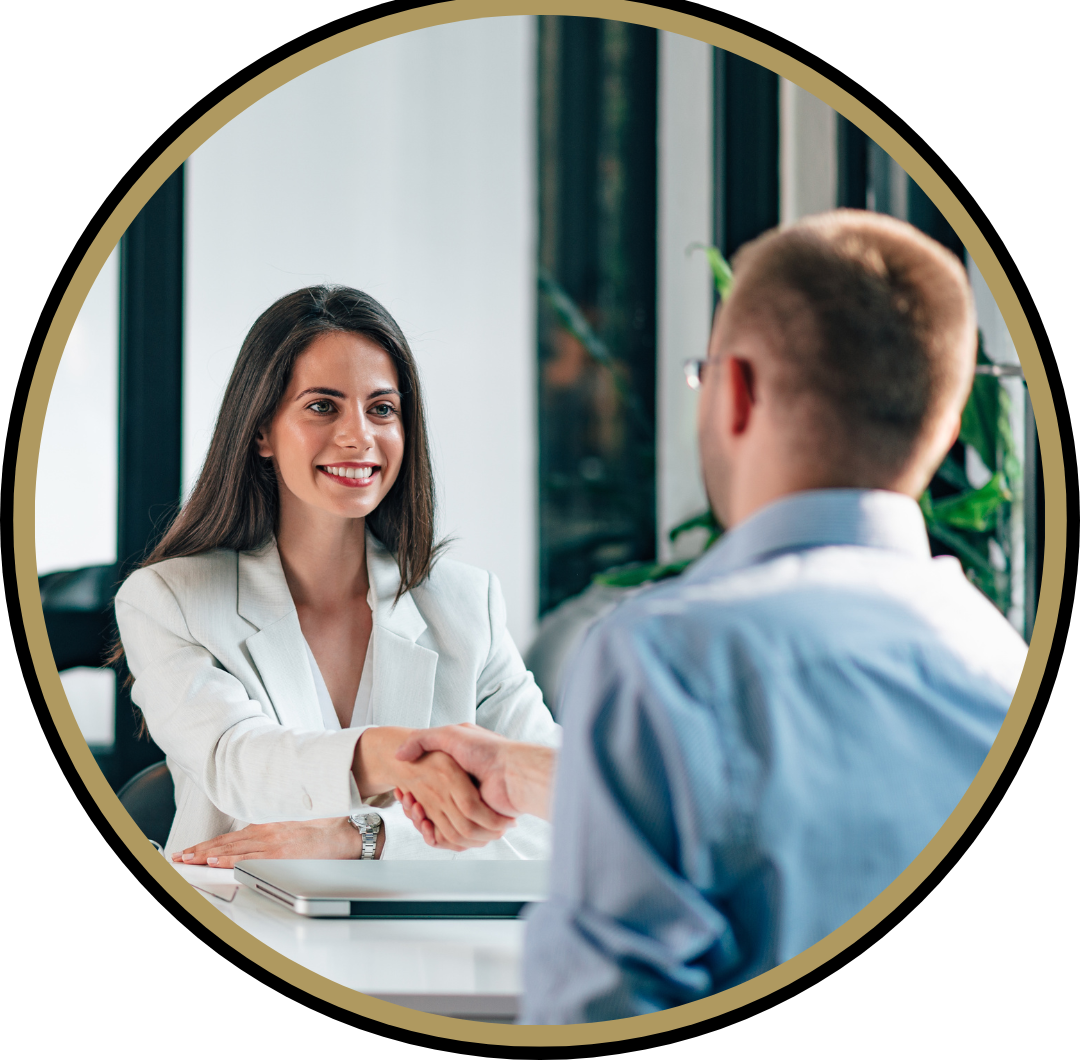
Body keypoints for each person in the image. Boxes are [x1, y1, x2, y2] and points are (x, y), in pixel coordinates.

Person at [394, 210, 1028, 1022]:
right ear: (941, 427)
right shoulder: (1006, 667)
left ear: (737, 390)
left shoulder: (665, 658)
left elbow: (599, 1021)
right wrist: (526, 774)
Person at [112, 285, 558, 865]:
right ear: (261, 431)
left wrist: (365, 837)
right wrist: (408, 758)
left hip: (425, 943)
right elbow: (237, 762)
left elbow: (566, 811)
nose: (359, 435)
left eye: (382, 409)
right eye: (323, 406)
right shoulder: (169, 601)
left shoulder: (468, 603)